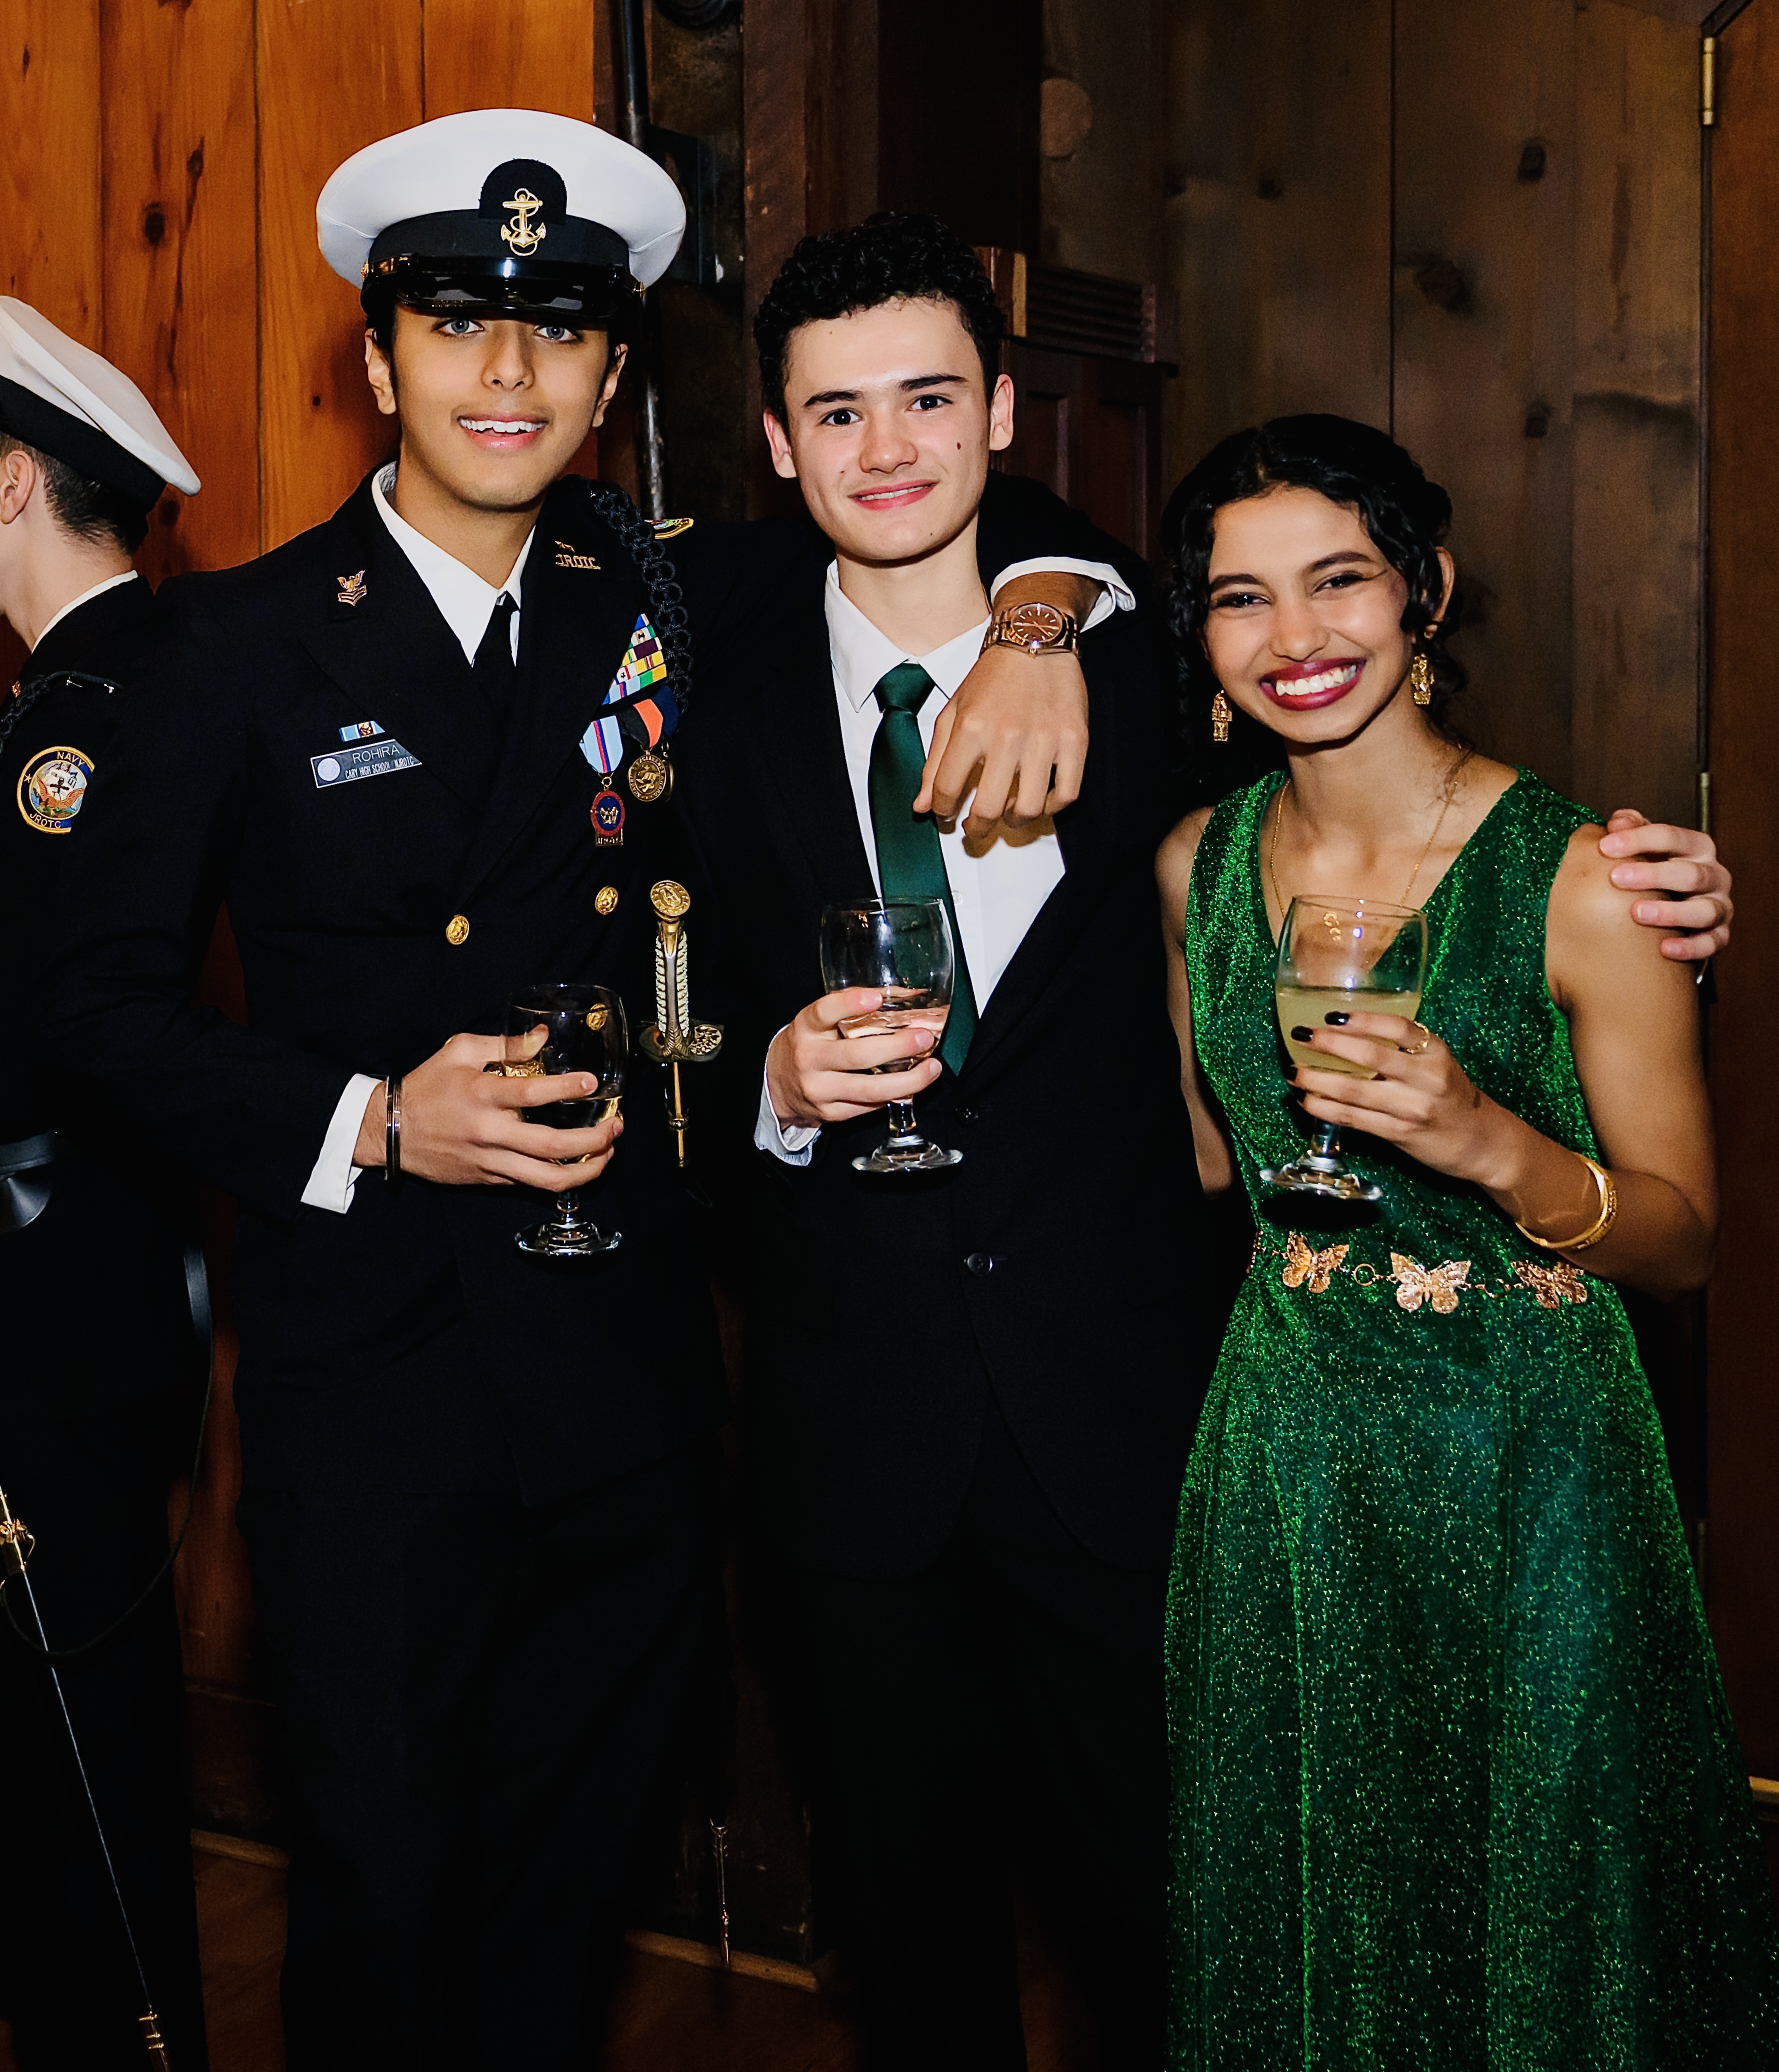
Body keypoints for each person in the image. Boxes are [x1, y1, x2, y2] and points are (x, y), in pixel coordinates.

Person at [44, 114, 1118, 2068]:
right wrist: (369, 1116)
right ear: (379, 362)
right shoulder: (231, 650)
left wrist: (1045, 608)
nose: (509, 373)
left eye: (558, 332)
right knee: (379, 1893)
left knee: (564, 1897)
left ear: (615, 376)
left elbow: (941, 508)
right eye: (459, 324)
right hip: (371, 1384)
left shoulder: (660, 600)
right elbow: (85, 1008)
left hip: (619, 1385)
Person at [1153, 414, 1779, 2068]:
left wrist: (1487, 1145)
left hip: (1533, 1477)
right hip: (1286, 1475)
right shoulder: (1193, 867)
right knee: (1304, 1902)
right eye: (1240, 599)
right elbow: (1218, 1166)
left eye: (1339, 580)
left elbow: (1684, 1240)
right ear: (1201, 639)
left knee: (1548, 1911)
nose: (1295, 639)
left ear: (1423, 591)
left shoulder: (1585, 879)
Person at [668, 210, 1218, 2072]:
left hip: (1119, 1415)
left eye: (925, 397)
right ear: (773, 445)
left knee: (1169, 1921)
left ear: (1001, 410)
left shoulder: (1142, 660)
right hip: (852, 1432)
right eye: (834, 412)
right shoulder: (707, 686)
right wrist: (770, 1089)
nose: (884, 448)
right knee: (909, 1954)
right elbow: (650, 1017)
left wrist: (1613, 878)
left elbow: (1362, 786)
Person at [0, 301, 210, 2068]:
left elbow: (52, 1033)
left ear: (7, 479)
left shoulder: (81, 717)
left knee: (75, 1768)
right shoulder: (137, 674)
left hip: (50, 1300)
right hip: (111, 1284)